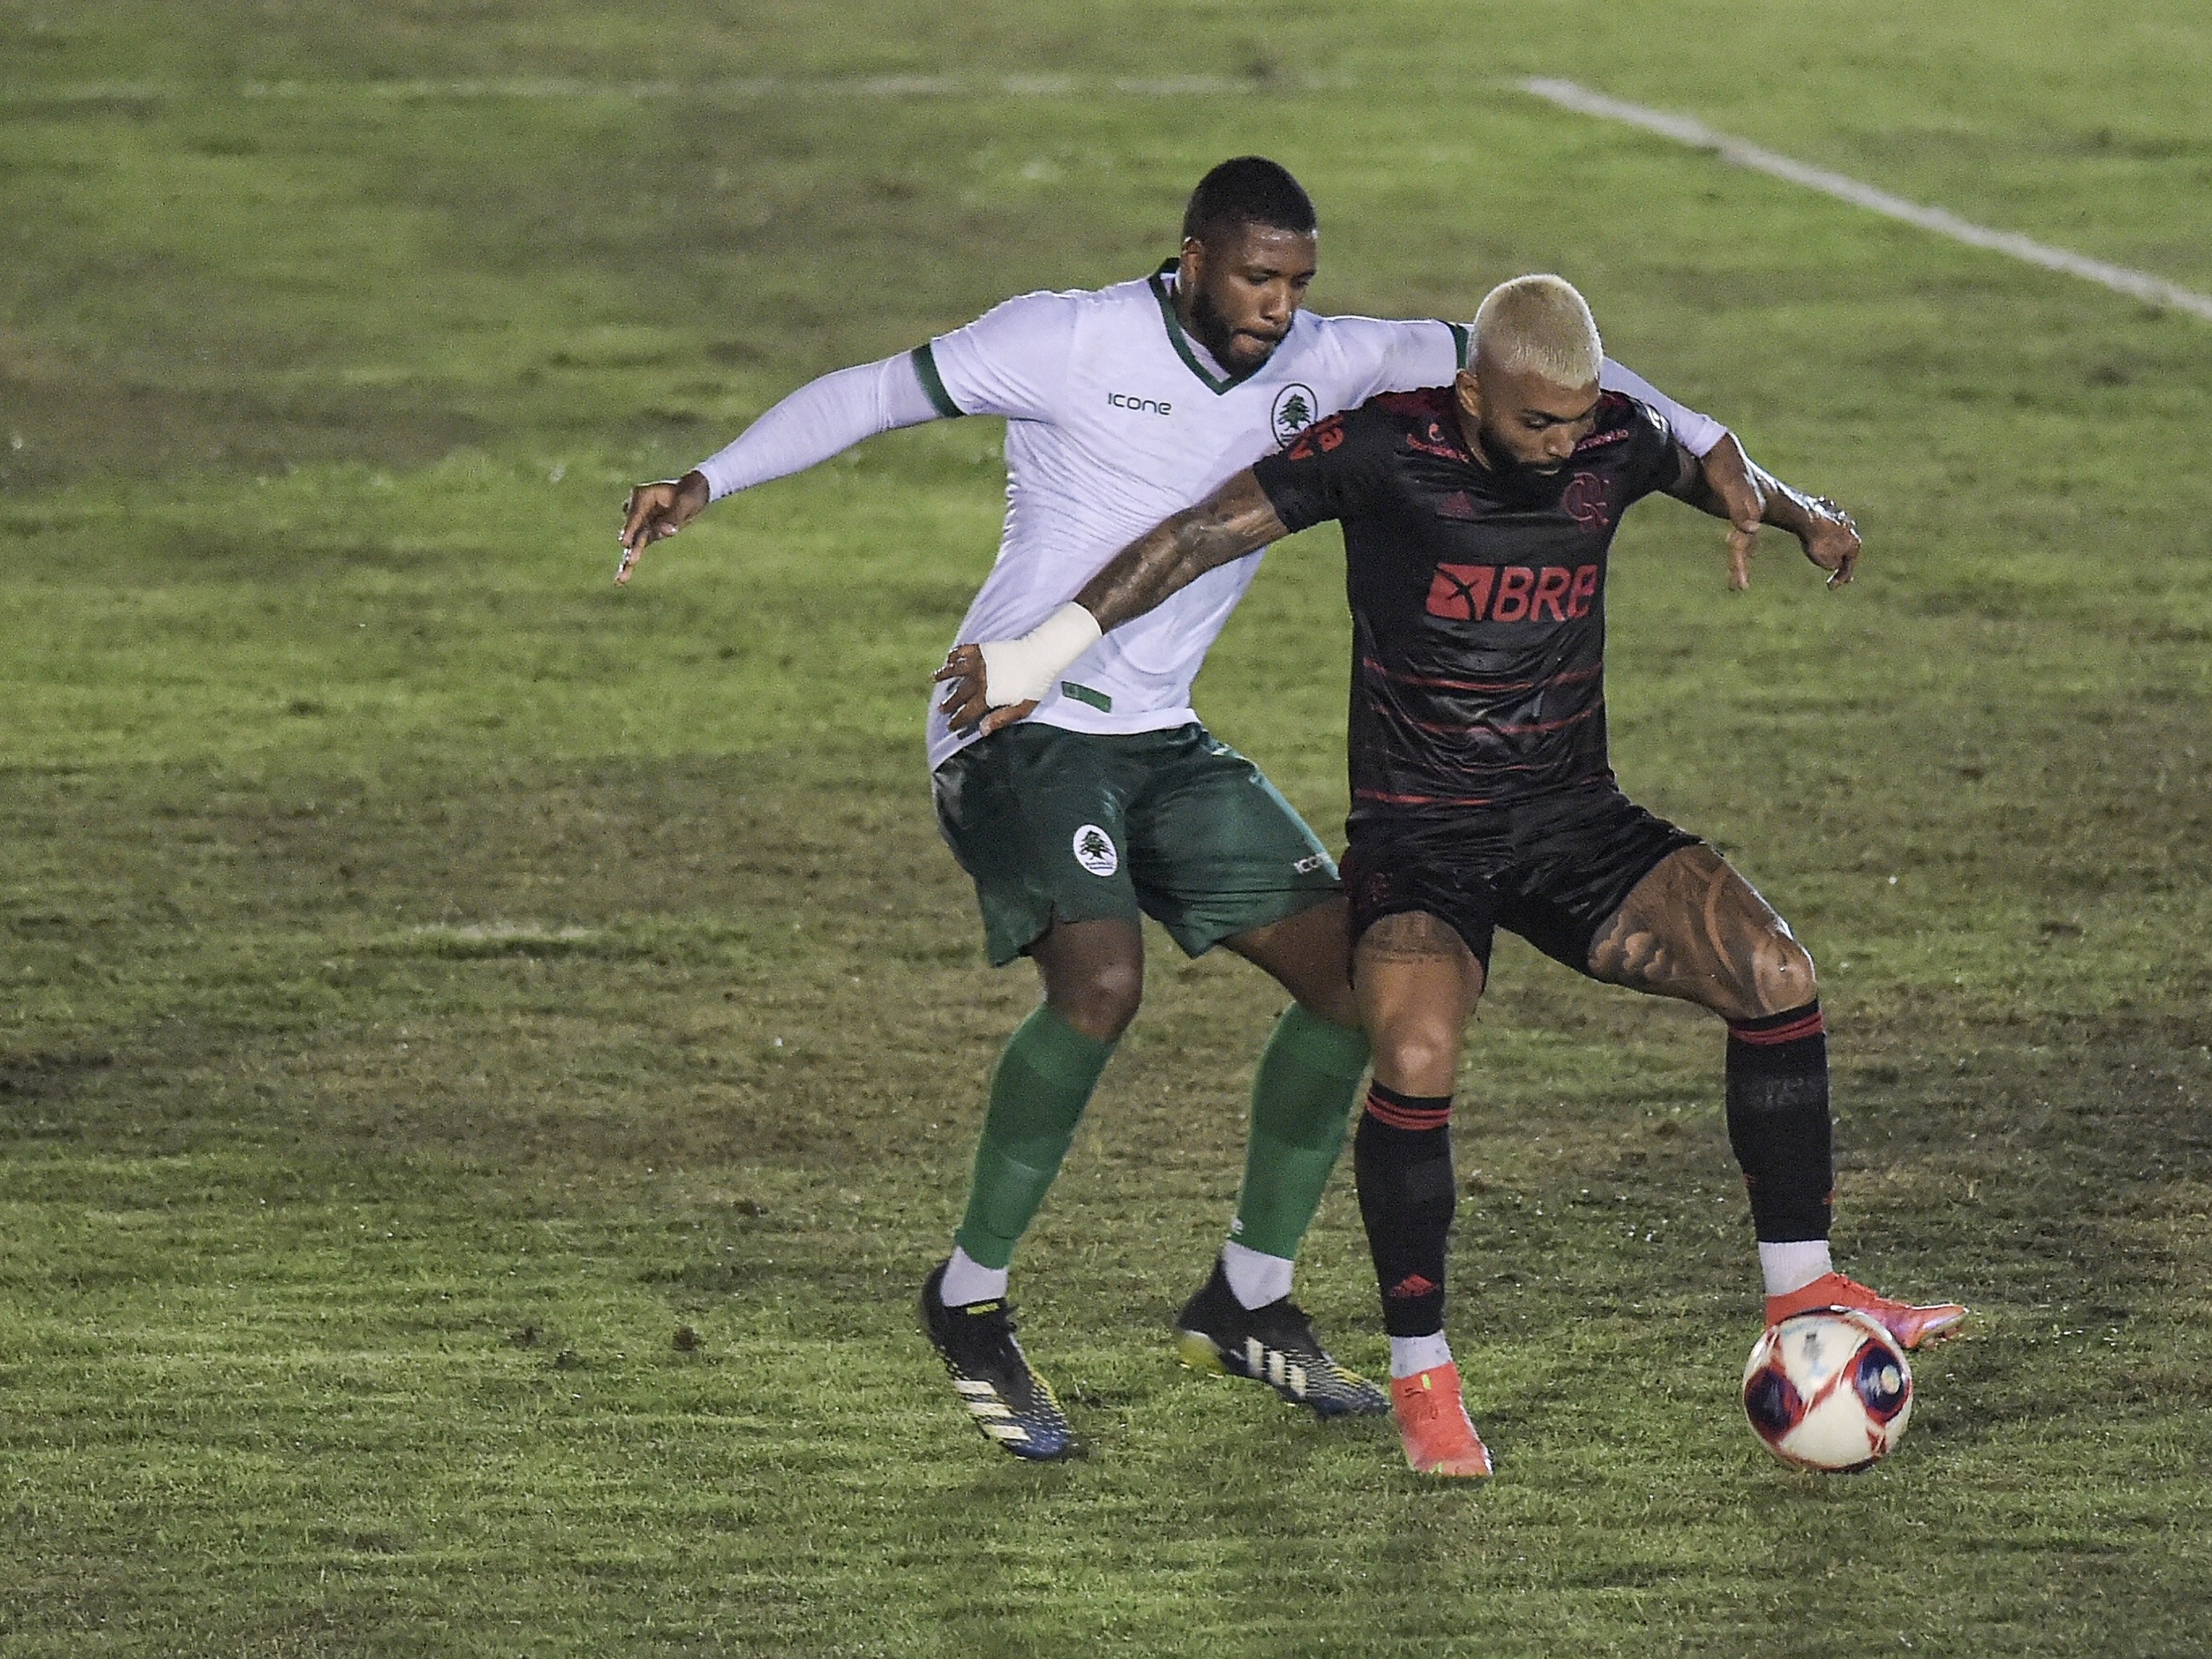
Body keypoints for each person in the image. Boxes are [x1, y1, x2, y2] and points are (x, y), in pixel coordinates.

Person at [617, 161, 1753, 1463]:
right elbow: (875, 392)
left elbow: (1553, 376)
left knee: (1357, 980)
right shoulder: (1066, 336)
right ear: (1195, 256)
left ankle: (1247, 1294)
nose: (1280, 306)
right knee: (1101, 984)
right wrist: (707, 479)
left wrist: (1728, 460)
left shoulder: (1337, 361)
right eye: (1259, 277)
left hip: (1161, 739)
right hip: (1013, 722)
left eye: (1300, 283)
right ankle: (968, 1293)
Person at [941, 272, 1966, 1478]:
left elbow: (1702, 458)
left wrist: (1801, 512)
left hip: (1571, 819)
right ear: (1472, 391)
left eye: (1579, 421)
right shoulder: (1383, 450)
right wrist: (1039, 650)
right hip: (1423, 837)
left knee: (1775, 970)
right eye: (1538, 422)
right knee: (1414, 1054)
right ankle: (1424, 1371)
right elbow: (1195, 535)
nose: (1563, 445)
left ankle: (1803, 1293)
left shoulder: (1610, 441)